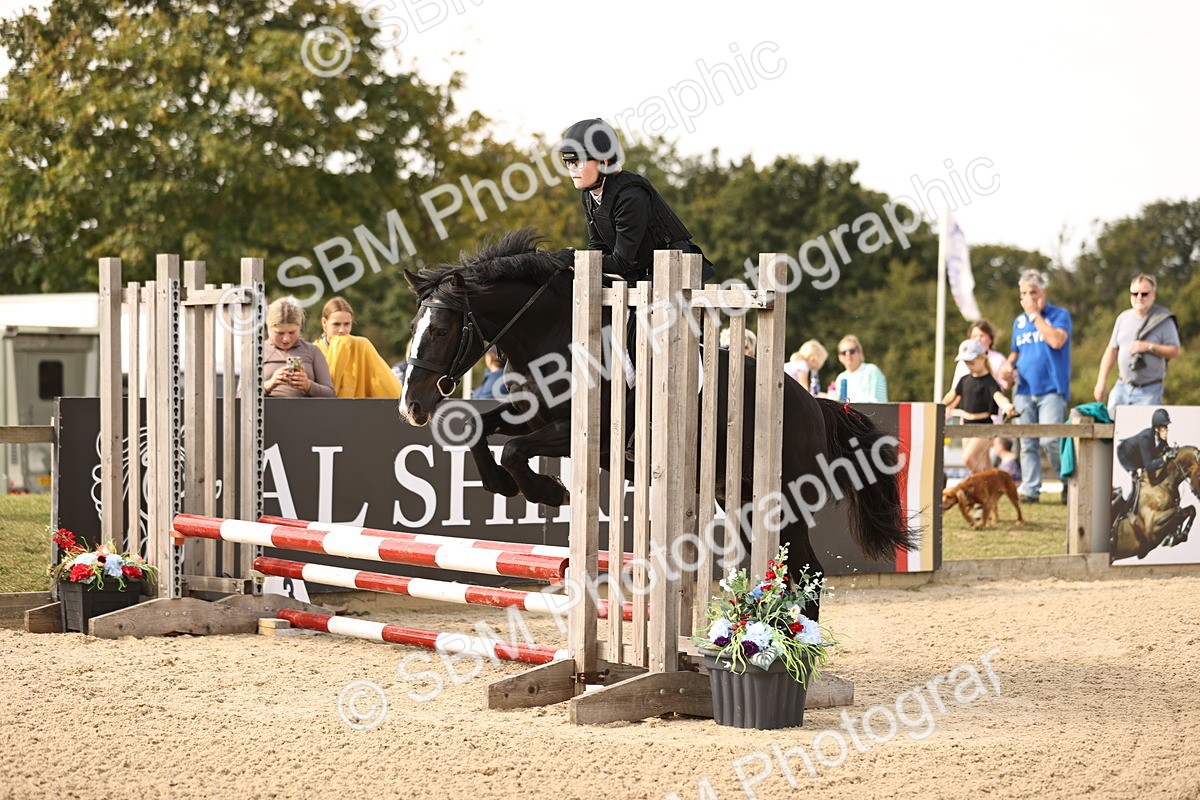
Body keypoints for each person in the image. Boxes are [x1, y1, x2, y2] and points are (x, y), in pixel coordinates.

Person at [559, 118, 713, 282]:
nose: (572, 170)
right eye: (568, 162)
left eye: (578, 162)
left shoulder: (631, 196)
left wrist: (574, 258)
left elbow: (621, 262)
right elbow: (598, 247)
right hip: (641, 273)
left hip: (676, 273)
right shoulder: (589, 194)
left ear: (604, 162)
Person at [999, 270, 1071, 503]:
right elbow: (1015, 351)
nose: (1028, 298)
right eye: (1023, 293)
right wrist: (1008, 366)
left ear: (1043, 293)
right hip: (1023, 390)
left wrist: (1033, 315)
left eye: (1033, 292)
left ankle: (1068, 482)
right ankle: (1031, 490)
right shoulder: (1018, 322)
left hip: (1052, 389)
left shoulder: (1059, 315)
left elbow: (1056, 341)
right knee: (1027, 441)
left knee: (1050, 439)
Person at [1092, 273, 1181, 417]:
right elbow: (1112, 350)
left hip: (1149, 390)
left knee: (1143, 435)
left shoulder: (1163, 320)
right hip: (1122, 386)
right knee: (1111, 431)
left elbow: (1175, 351)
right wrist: (1101, 381)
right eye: (1135, 293)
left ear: (1153, 295)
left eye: (1145, 294)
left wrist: (1148, 346)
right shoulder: (1123, 318)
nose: (1139, 297)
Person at [943, 339, 1017, 473]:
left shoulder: (990, 381)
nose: (969, 366)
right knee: (983, 460)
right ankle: (990, 489)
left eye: (971, 362)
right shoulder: (964, 380)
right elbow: (951, 395)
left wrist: (1007, 406)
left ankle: (982, 484)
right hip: (966, 425)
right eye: (966, 363)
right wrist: (938, 406)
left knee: (968, 458)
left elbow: (998, 397)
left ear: (982, 358)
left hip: (984, 426)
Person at [313, 297, 402, 399]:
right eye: (336, 324)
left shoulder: (362, 345)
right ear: (324, 322)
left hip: (359, 411)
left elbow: (387, 386)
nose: (342, 330)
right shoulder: (314, 350)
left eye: (347, 324)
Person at [1112, 408, 1175, 525]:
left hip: (1136, 462)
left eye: (1167, 427)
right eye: (1164, 428)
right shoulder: (1145, 439)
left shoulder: (1161, 440)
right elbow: (1149, 467)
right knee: (1128, 490)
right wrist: (1164, 458)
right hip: (1123, 459)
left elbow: (1165, 451)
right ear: (1156, 429)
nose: (1167, 431)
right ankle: (1115, 519)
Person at [263, 297, 335, 398]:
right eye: (280, 333)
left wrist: (308, 385)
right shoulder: (257, 352)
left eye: (292, 332)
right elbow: (241, 395)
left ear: (300, 327)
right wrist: (268, 385)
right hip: (267, 412)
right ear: (269, 328)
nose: (286, 339)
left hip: (304, 412)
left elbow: (330, 394)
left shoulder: (313, 351)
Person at [949, 319, 1012, 394]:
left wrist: (1008, 379)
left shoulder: (998, 359)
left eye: (982, 336)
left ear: (990, 339)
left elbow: (1006, 385)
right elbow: (955, 391)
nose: (978, 339)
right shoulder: (963, 361)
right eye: (974, 336)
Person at [833, 335, 888, 402]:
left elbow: (878, 403)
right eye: (843, 353)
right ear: (839, 357)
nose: (848, 355)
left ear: (860, 352)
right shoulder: (840, 378)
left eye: (852, 351)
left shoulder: (872, 371)